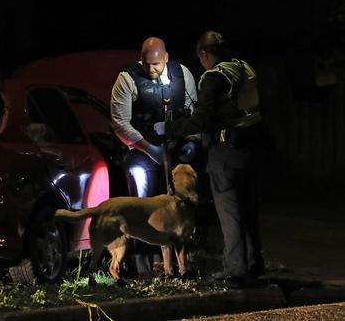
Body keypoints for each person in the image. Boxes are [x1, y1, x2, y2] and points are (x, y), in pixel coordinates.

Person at [155, 30, 265, 288]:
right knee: (249, 209)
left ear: (204, 54)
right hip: (251, 147)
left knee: (230, 211)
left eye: (200, 57)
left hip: (225, 150)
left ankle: (236, 270)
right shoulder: (243, 68)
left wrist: (169, 128)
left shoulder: (214, 77)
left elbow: (203, 119)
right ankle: (253, 264)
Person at [110, 36, 198, 278]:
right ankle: (143, 267)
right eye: (146, 64)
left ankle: (177, 265)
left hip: (175, 154)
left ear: (166, 59)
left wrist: (192, 142)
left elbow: (195, 112)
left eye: (156, 65)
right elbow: (120, 122)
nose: (151, 69)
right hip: (141, 152)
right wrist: (150, 149)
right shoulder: (127, 78)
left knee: (178, 209)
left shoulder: (183, 75)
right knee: (142, 207)